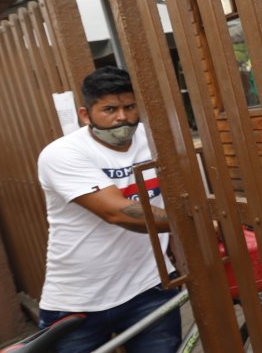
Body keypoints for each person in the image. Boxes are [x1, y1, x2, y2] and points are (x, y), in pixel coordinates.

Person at [36, 66, 181, 352]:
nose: (122, 117)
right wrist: (197, 219)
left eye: (129, 107)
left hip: (149, 288)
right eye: (110, 109)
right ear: (85, 114)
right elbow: (117, 212)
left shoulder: (156, 140)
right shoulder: (62, 153)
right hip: (77, 302)